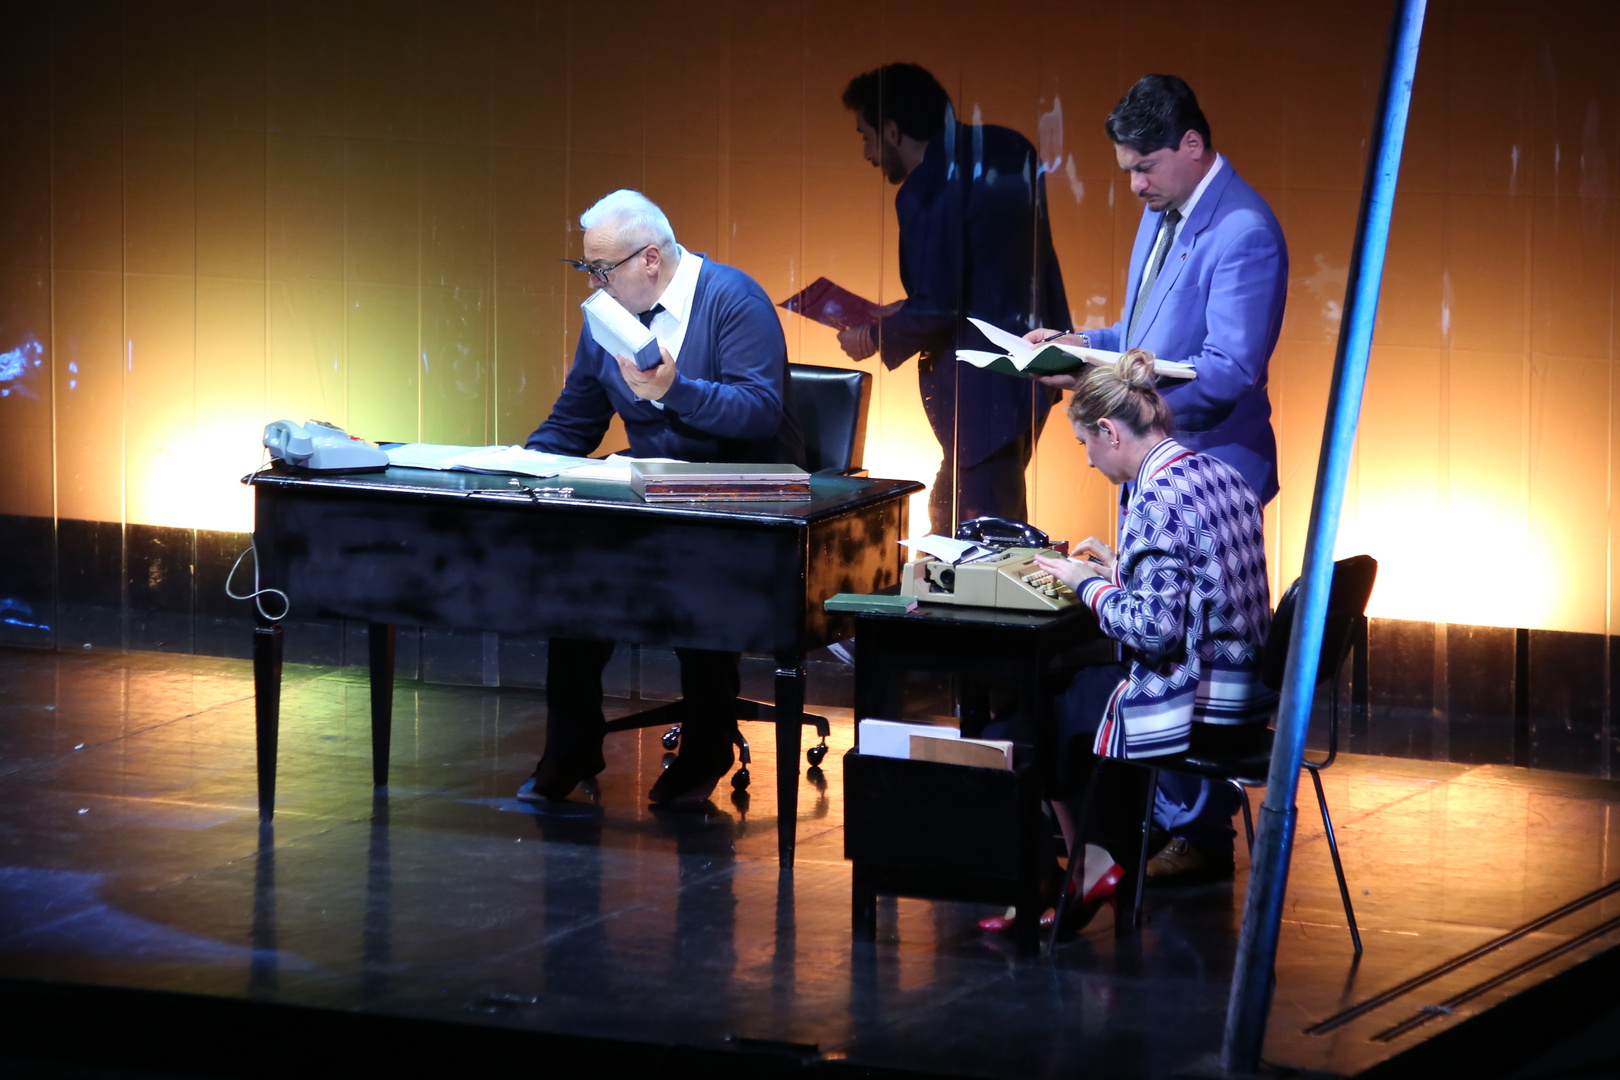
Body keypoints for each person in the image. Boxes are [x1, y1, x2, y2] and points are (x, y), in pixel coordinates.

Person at [1029, 74, 1288, 884]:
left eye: (1145, 167)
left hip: (1204, 467)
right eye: (1127, 170)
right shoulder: (1161, 215)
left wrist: (1118, 395)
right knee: (1157, 636)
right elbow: (1143, 337)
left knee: (1185, 645)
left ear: (1192, 146)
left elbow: (1228, 370)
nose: (1135, 185)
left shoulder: (1243, 230)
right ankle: (1158, 818)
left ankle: (1197, 833)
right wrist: (1079, 345)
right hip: (1156, 462)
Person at [519, 189, 805, 807]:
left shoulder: (733, 299)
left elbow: (759, 411)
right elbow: (576, 420)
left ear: (650, 259)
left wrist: (675, 389)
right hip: (656, 490)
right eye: (587, 268)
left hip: (741, 493)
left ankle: (707, 748)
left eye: (602, 269)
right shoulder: (608, 317)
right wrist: (523, 464)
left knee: (696, 578)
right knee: (574, 576)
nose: (594, 283)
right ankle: (571, 747)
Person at [981, 352, 1274, 936]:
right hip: (1249, 695)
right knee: (1059, 700)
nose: (1089, 460)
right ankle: (1089, 864)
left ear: (1109, 431)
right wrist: (1121, 570)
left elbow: (1154, 631)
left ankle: (1066, 873)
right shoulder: (1218, 473)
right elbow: (1199, 582)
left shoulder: (1154, 499)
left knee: (1016, 721)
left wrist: (1084, 583)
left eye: (1085, 444)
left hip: (1196, 703)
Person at [838, 63, 1070, 535]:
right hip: (1029, 369)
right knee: (960, 512)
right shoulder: (1009, 149)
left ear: (892, 131)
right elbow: (987, 273)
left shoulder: (928, 190)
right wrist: (907, 309)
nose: (868, 153)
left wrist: (873, 336)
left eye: (867, 137)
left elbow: (940, 307)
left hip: (980, 391)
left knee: (978, 535)